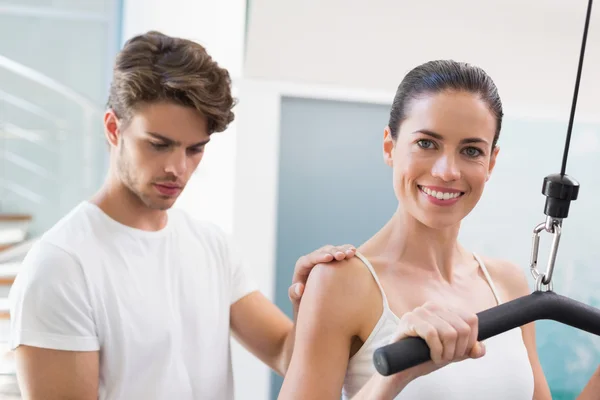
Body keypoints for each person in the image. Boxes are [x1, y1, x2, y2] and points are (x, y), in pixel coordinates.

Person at [7, 31, 356, 400]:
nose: (178, 168)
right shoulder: (61, 266)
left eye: (195, 149)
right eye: (159, 145)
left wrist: (312, 301)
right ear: (113, 128)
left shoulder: (211, 245)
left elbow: (288, 356)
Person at [278, 60, 600, 399]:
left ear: (490, 162)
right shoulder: (339, 282)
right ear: (390, 146)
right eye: (427, 144)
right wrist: (391, 380)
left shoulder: (508, 283)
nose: (447, 171)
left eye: (471, 151)